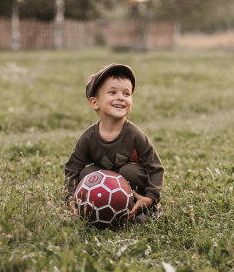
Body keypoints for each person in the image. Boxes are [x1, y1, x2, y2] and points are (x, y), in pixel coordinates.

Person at [64, 63, 164, 221]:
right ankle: (96, 210)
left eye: (127, 93)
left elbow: (156, 168)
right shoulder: (89, 137)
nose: (121, 98)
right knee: (86, 174)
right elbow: (72, 169)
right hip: (106, 187)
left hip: (132, 184)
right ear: (94, 102)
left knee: (129, 171)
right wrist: (71, 198)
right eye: (112, 92)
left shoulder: (135, 135)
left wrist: (151, 197)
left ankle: (146, 209)